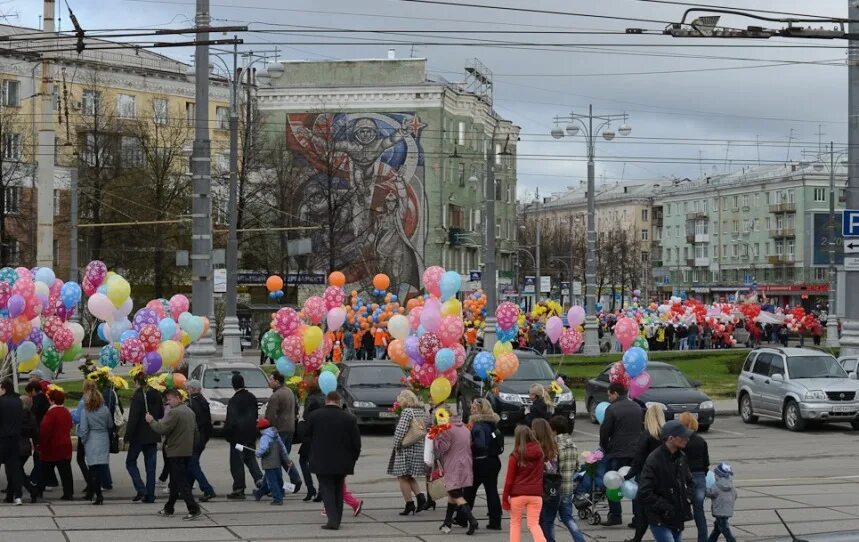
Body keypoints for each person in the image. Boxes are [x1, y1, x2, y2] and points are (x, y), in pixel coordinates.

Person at [305, 391, 362, 530]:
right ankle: (337, 519)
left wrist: (312, 453)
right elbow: (356, 444)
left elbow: (306, 436)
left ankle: (333, 520)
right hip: (343, 462)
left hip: (321, 460)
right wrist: (352, 460)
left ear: (326, 400)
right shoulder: (350, 418)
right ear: (339, 401)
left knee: (327, 489)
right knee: (338, 489)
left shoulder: (315, 416)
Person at [146, 388, 202, 521]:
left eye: (170, 399)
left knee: (181, 482)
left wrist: (151, 421)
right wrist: (192, 447)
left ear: (178, 398)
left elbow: (162, 428)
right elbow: (196, 433)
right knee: (175, 481)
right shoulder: (189, 411)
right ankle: (169, 507)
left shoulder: (174, 413)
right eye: (167, 400)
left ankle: (193, 508)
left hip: (175, 452)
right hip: (187, 451)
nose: (168, 402)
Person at [638, 420, 694, 542]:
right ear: (671, 438)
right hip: (660, 517)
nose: (687, 439)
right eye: (683, 437)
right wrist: (666, 507)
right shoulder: (654, 460)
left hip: (677, 516)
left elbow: (690, 481)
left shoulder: (681, 457)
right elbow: (644, 491)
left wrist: (688, 498)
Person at [598, 382, 643, 527]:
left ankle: (615, 515)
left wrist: (605, 448)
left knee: (612, 482)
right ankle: (638, 518)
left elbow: (605, 432)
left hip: (617, 452)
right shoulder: (636, 407)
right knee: (635, 483)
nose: (609, 398)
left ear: (615, 393)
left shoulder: (612, 409)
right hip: (636, 452)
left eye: (609, 395)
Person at [625, 404, 667, 542]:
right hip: (664, 478)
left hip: (646, 478)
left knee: (643, 511)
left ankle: (637, 538)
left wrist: (627, 475)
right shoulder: (667, 436)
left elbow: (638, 459)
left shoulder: (646, 435)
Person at [542, 416, 585, 542]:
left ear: (554, 430)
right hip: (568, 487)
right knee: (568, 518)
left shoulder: (554, 446)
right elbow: (577, 466)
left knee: (548, 520)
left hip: (554, 489)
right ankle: (580, 540)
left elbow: (551, 469)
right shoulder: (573, 445)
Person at [434, 411, 478, 535]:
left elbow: (443, 447)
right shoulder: (464, 428)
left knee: (455, 492)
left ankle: (472, 520)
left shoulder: (447, 429)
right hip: (465, 463)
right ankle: (447, 522)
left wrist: (437, 437)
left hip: (453, 463)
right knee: (453, 492)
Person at [463, 398, 503, 531]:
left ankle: (462, 517)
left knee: (470, 490)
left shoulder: (478, 425)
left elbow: (480, 445)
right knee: (491, 491)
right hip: (494, 460)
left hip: (481, 461)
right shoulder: (492, 423)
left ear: (481, 410)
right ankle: (495, 521)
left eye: (474, 408)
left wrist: (469, 446)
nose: (471, 409)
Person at [387, 390, 428, 515]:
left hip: (406, 449)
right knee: (410, 476)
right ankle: (421, 498)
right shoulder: (421, 411)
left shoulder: (407, 412)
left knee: (402, 477)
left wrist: (396, 445)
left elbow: (400, 431)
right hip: (418, 448)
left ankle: (409, 504)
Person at [502, 425, 546, 542]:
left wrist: (505, 498)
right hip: (536, 494)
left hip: (518, 494)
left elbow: (509, 480)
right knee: (534, 524)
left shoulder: (515, 455)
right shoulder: (540, 453)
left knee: (515, 524)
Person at [126, 372, 164, 504]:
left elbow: (133, 418)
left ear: (137, 382)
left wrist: (127, 436)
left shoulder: (138, 396)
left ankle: (141, 488)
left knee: (130, 462)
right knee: (151, 467)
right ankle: (150, 495)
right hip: (153, 434)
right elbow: (161, 413)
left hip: (138, 436)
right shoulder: (156, 394)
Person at [224, 373, 263, 499]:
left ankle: (239, 488)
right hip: (250, 435)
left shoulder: (234, 400)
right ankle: (260, 480)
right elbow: (255, 415)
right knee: (250, 458)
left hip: (238, 438)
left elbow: (231, 420)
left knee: (237, 462)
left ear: (233, 385)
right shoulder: (251, 397)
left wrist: (228, 434)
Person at [265, 371, 303, 494]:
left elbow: (269, 417)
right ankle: (271, 486)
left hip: (279, 430)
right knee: (283, 457)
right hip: (290, 428)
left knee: (276, 459)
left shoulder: (276, 396)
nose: (269, 382)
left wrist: (265, 429)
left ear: (277, 381)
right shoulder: (289, 392)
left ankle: (282, 486)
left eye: (271, 379)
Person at [36, 388, 74, 500]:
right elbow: (70, 426)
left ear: (52, 400)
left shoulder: (51, 413)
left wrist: (40, 445)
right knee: (66, 472)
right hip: (66, 445)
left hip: (52, 446)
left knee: (44, 470)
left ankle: (38, 491)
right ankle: (68, 493)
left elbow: (45, 430)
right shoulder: (66, 411)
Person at [78, 383, 113, 505]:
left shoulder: (85, 411)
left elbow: (83, 429)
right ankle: (99, 492)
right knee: (101, 466)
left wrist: (83, 440)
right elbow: (110, 424)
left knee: (93, 468)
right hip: (103, 438)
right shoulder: (105, 410)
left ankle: (98, 494)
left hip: (91, 439)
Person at [678, 412, 709, 542]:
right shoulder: (701, 441)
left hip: (685, 477)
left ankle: (676, 536)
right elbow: (706, 462)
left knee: (678, 508)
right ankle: (703, 539)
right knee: (699, 511)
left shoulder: (681, 441)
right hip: (700, 475)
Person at [533, 418, 564, 542]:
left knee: (542, 523)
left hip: (542, 488)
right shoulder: (554, 446)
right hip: (554, 488)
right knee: (548, 521)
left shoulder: (537, 449)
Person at [185, 380, 216, 501]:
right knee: (191, 463)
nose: (188, 391)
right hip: (203, 437)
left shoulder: (192, 402)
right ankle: (186, 489)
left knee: (192, 464)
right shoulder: (203, 401)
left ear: (194, 389)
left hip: (196, 438)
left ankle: (207, 489)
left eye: (189, 388)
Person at [0, 379, 29, 505]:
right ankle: (17, 496)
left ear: (4, 388)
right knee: (15, 468)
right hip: (15, 439)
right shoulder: (18, 401)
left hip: (2, 439)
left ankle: (11, 495)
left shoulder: (1, 402)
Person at [298, 383, 325, 502]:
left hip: (310, 436)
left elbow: (306, 416)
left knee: (303, 461)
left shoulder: (311, 399)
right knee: (319, 464)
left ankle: (310, 488)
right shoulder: (325, 398)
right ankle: (321, 490)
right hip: (322, 436)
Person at [253, 418, 288, 505]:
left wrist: (258, 453)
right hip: (277, 462)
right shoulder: (276, 435)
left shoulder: (264, 437)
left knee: (272, 481)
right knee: (279, 479)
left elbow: (263, 449)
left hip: (268, 463)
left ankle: (277, 499)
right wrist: (287, 459)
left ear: (261, 429)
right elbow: (282, 447)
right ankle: (279, 493)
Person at [706, 463, 737, 542]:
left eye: (715, 474)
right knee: (717, 529)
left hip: (719, 511)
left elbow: (710, 493)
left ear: (718, 475)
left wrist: (703, 488)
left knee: (725, 530)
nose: (715, 476)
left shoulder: (717, 485)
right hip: (727, 511)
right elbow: (735, 495)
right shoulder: (731, 485)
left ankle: (732, 540)